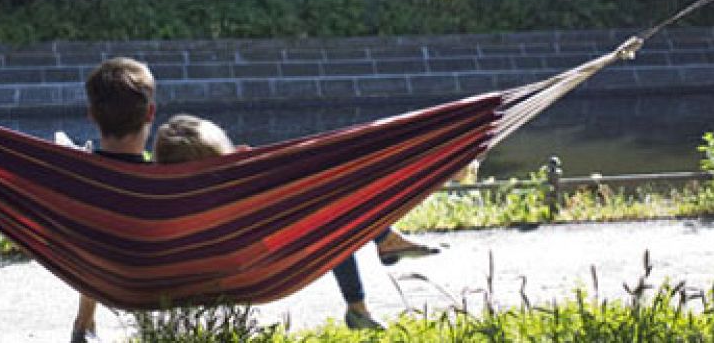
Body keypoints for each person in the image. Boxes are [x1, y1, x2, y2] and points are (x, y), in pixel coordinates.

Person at [152, 114, 438, 332]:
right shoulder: (230, 189)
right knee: (330, 208)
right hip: (263, 255)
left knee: (328, 217)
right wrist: (248, 166)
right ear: (217, 159)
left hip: (246, 256)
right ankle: (382, 245)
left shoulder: (179, 201)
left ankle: (360, 303)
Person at [69, 57, 158, 343]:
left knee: (95, 231)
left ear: (92, 115)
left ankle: (83, 324)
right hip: (163, 281)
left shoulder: (77, 179)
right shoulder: (170, 181)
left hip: (102, 274)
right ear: (151, 113)